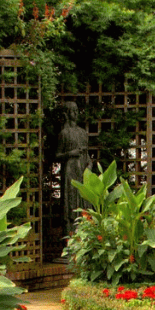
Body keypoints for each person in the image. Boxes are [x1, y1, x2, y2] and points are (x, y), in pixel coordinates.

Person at [56, 101, 90, 236]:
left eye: (77, 111)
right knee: (70, 203)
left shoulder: (83, 133)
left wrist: (89, 165)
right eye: (72, 111)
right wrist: (70, 153)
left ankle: (83, 236)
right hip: (70, 171)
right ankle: (70, 237)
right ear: (67, 114)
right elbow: (57, 155)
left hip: (82, 171)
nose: (75, 114)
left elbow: (87, 155)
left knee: (83, 203)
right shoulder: (64, 133)